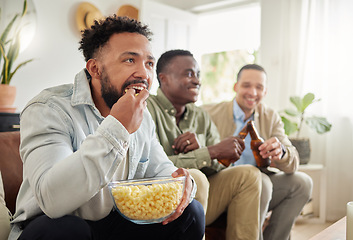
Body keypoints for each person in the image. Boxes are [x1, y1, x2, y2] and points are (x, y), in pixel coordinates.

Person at [8, 16, 205, 240]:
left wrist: (180, 183)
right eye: (130, 60)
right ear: (95, 69)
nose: (144, 73)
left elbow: (162, 172)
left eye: (149, 63)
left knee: (191, 213)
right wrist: (118, 126)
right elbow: (53, 201)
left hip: (115, 223)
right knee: (67, 230)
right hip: (52, 224)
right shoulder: (48, 109)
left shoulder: (143, 114)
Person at [147, 49, 262, 240]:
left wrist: (206, 152)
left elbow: (219, 166)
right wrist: (209, 152)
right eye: (189, 74)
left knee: (248, 174)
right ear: (164, 78)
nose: (198, 81)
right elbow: (151, 167)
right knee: (195, 178)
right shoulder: (147, 108)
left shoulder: (200, 115)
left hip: (202, 199)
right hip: (159, 198)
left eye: (198, 74)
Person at [202, 63, 313, 240]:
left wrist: (282, 152)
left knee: (303, 182)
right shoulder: (209, 113)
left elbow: (293, 162)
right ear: (235, 87)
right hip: (222, 186)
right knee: (260, 181)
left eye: (259, 87)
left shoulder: (270, 117)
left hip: (261, 186)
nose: (253, 93)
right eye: (246, 85)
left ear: (265, 92)